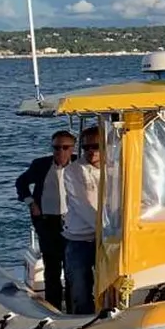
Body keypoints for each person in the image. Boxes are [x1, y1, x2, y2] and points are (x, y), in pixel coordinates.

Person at [14, 130, 76, 306]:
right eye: (56, 147)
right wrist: (31, 203)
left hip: (73, 223)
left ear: (72, 148)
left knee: (73, 268)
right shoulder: (41, 165)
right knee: (52, 269)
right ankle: (53, 306)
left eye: (65, 147)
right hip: (47, 222)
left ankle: (75, 307)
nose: (60, 152)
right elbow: (21, 182)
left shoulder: (79, 163)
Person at [59, 125, 104, 315]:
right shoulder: (72, 172)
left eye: (95, 146)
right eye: (86, 148)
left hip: (111, 237)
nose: (91, 151)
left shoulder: (118, 167)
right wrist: (106, 228)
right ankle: (83, 324)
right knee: (80, 288)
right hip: (80, 239)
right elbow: (82, 205)